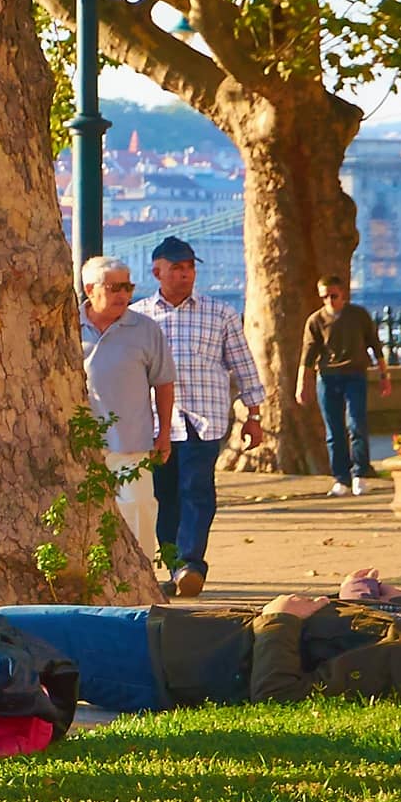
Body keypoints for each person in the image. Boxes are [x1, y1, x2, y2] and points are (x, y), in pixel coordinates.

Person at [134, 234, 264, 599]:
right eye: (176, 268)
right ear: (157, 271)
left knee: (197, 491)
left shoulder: (219, 313)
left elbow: (243, 365)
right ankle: (175, 564)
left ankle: (191, 563)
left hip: (203, 419)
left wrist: (253, 415)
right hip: (156, 423)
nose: (185, 275)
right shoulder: (139, 317)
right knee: (163, 497)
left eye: (190, 267)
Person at [78, 254, 174, 573]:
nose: (123, 294)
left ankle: (140, 575)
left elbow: (163, 383)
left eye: (128, 286)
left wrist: (163, 434)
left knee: (139, 510)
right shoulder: (65, 327)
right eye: (115, 287)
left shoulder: (145, 329)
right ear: (90, 289)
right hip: (79, 444)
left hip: (132, 440)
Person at [300, 273, 380, 497]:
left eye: (333, 296)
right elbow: (307, 355)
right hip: (327, 377)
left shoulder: (358, 315)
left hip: (355, 374)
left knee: (356, 425)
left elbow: (374, 343)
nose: (329, 301)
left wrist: (384, 374)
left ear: (343, 294)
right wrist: (302, 385)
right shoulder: (315, 320)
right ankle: (340, 478)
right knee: (333, 431)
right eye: (324, 297)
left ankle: (360, 474)